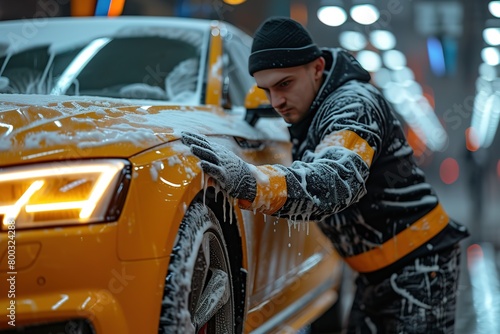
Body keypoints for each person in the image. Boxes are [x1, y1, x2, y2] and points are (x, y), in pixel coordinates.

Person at [181, 16, 469, 333]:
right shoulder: (310, 104)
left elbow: (335, 180)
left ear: (317, 68)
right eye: (266, 90)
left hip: (421, 264)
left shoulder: (354, 104)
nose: (276, 102)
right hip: (374, 270)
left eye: (284, 84)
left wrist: (252, 181)